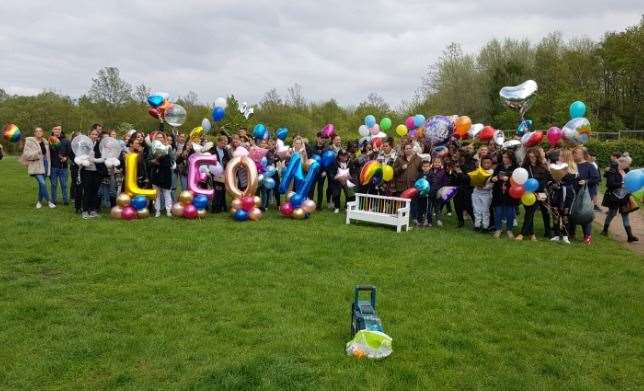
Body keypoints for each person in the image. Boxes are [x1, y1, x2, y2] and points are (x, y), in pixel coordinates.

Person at [516, 148, 551, 241]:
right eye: (530, 156)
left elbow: (546, 180)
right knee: (529, 212)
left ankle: (523, 234)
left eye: (534, 156)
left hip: (540, 194)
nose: (532, 158)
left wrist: (542, 192)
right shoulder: (524, 168)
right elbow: (521, 181)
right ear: (527, 157)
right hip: (528, 194)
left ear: (537, 157)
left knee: (536, 213)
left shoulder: (543, 167)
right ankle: (531, 234)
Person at [601, 156, 639, 242]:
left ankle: (630, 236)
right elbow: (610, 184)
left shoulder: (626, 171)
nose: (628, 165)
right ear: (621, 163)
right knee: (612, 213)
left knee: (625, 214)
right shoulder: (612, 171)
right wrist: (622, 184)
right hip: (614, 196)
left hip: (624, 196)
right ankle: (605, 230)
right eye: (627, 163)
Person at [569, 147, 600, 245]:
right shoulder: (572, 165)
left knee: (585, 214)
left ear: (583, 154)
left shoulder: (589, 166)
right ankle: (571, 233)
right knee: (571, 213)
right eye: (574, 153)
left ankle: (587, 236)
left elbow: (596, 178)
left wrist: (586, 181)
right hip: (573, 193)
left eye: (577, 153)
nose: (574, 154)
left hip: (585, 195)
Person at [20, 127, 55, 209]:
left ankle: (39, 202)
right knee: (42, 183)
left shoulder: (46, 142)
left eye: (40, 131)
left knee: (41, 185)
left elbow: (48, 155)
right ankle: (49, 201)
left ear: (42, 133)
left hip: (45, 164)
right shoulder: (29, 142)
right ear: (34, 133)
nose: (39, 132)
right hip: (36, 165)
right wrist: (37, 153)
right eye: (37, 131)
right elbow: (26, 155)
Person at [491, 151, 518, 239]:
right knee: (498, 211)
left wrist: (509, 178)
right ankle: (498, 229)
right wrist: (494, 178)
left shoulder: (515, 167)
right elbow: (493, 177)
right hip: (498, 192)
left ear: (511, 158)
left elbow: (519, 180)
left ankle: (509, 230)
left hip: (510, 193)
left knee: (510, 211)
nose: (504, 159)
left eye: (506, 157)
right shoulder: (499, 166)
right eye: (503, 157)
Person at [80, 125, 105, 218]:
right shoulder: (84, 145)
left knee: (95, 191)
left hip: (97, 171)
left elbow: (103, 158)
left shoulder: (100, 146)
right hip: (86, 171)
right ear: (89, 135)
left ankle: (93, 210)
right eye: (92, 134)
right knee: (87, 191)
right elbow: (79, 157)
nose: (94, 136)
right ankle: (85, 211)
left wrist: (94, 159)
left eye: (96, 134)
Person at [394, 142, 422, 222]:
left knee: (414, 202)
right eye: (406, 148)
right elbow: (394, 172)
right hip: (401, 184)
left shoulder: (418, 159)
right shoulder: (399, 159)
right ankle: (400, 218)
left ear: (412, 149)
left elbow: (421, 171)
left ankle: (414, 219)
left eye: (410, 148)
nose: (408, 150)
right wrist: (401, 168)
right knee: (401, 202)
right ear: (403, 150)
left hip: (413, 184)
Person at [149, 132, 174, 217]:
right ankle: (157, 211)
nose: (160, 139)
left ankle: (168, 211)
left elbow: (172, 160)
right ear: (155, 139)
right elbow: (148, 161)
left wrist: (165, 153)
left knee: (167, 193)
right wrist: (154, 161)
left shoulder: (168, 147)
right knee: (157, 194)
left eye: (161, 137)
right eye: (158, 137)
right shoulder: (152, 148)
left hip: (166, 173)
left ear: (164, 139)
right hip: (156, 173)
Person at [49, 125, 71, 205]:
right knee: (53, 185)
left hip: (63, 167)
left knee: (64, 184)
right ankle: (53, 200)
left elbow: (70, 153)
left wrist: (66, 158)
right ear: (53, 130)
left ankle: (65, 201)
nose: (57, 130)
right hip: (53, 167)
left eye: (59, 129)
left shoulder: (66, 141)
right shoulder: (49, 140)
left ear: (61, 130)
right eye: (55, 129)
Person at [471, 156, 494, 231]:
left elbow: (492, 184)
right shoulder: (478, 170)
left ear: (491, 164)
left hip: (486, 194)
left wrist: (483, 187)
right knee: (476, 209)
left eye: (488, 163)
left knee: (485, 210)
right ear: (481, 163)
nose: (486, 164)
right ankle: (477, 225)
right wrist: (476, 184)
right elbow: (473, 180)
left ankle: (485, 226)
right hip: (476, 193)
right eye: (484, 163)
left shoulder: (492, 172)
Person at [211, 135, 230, 212]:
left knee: (223, 190)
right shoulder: (212, 150)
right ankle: (216, 208)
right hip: (215, 173)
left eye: (226, 143)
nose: (224, 144)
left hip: (224, 173)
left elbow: (228, 160)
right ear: (218, 142)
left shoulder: (225, 151)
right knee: (217, 190)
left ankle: (223, 206)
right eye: (223, 142)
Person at [415, 160, 433, 227]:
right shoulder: (419, 175)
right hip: (420, 195)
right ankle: (419, 221)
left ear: (429, 167)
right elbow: (417, 184)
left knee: (428, 209)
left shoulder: (431, 175)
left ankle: (429, 221)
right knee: (420, 208)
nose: (425, 168)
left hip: (428, 195)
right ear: (422, 167)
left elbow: (433, 184)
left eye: (427, 166)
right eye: (424, 166)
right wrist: (419, 191)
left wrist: (430, 192)